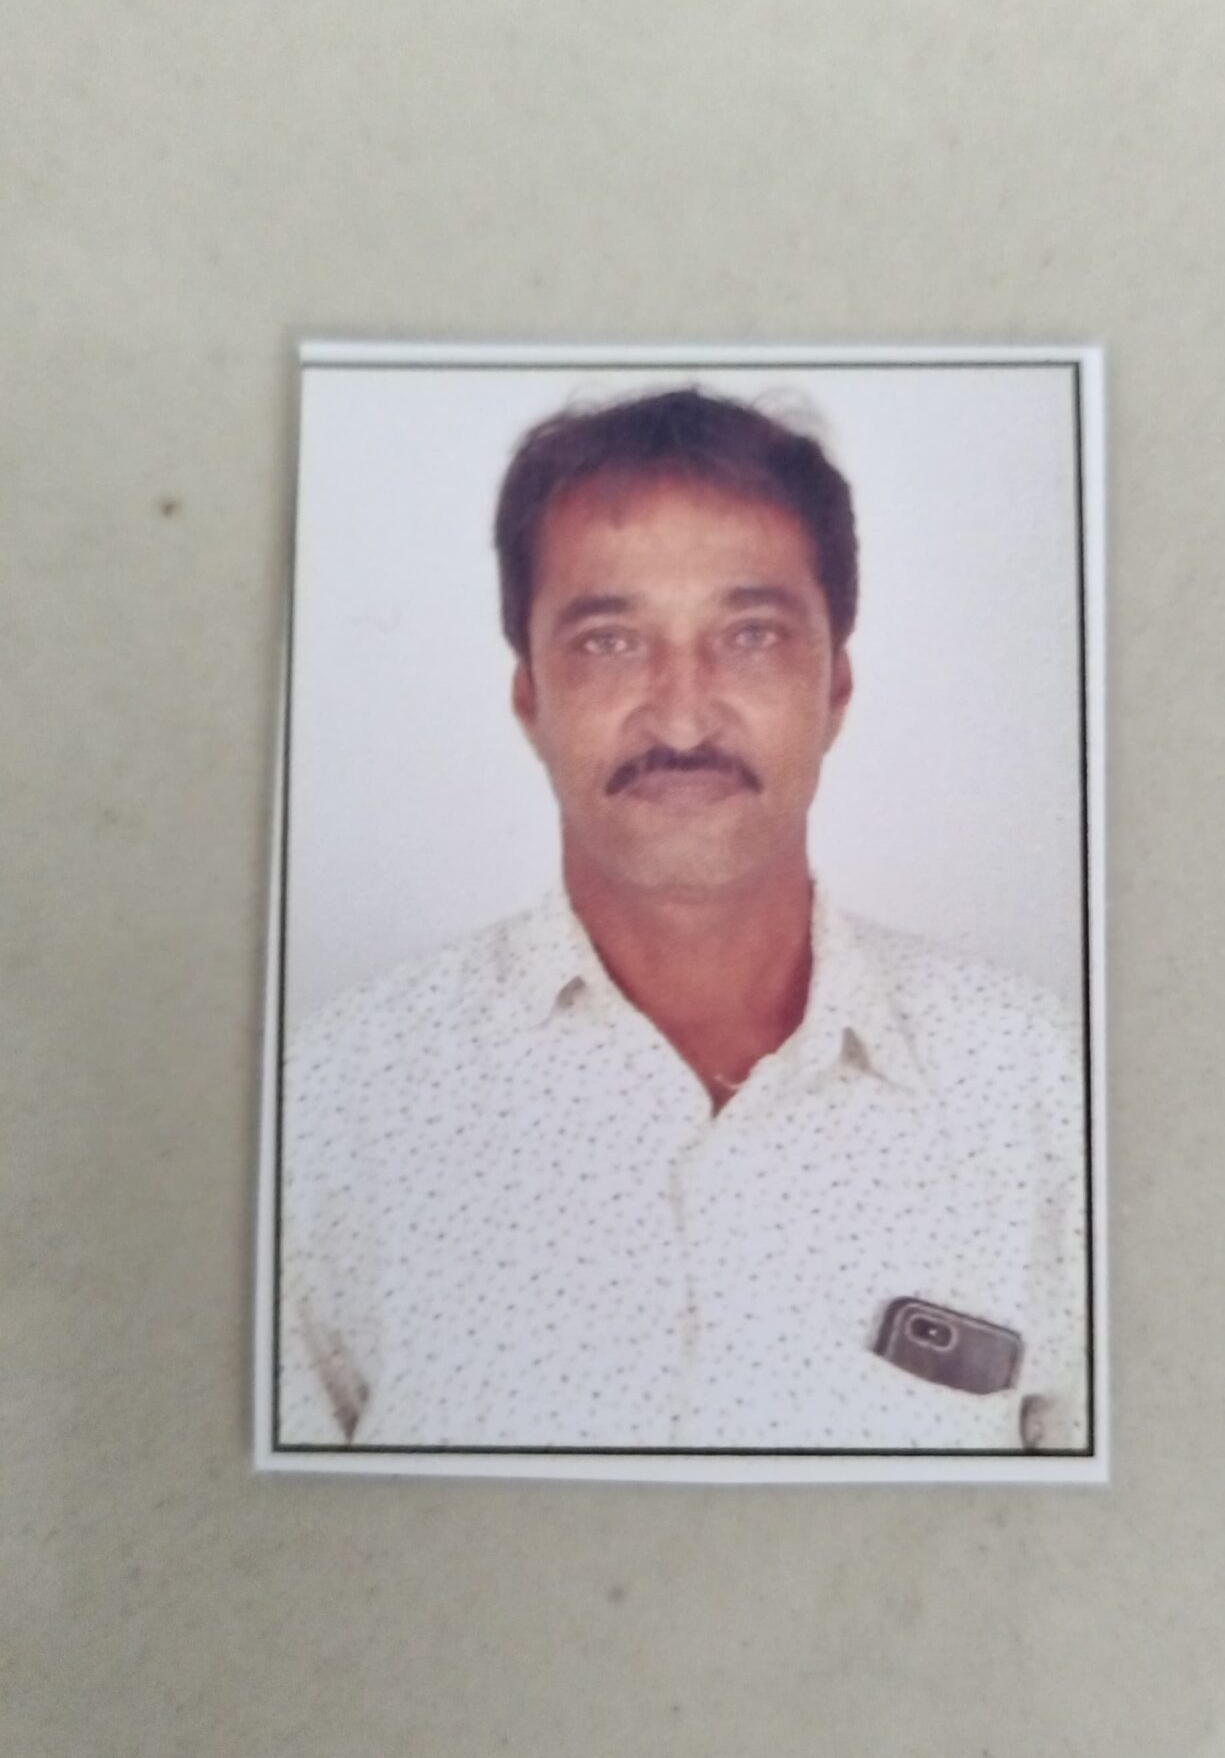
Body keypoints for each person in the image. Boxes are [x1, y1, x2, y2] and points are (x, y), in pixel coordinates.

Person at [279, 386, 1090, 1454]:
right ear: (530, 699)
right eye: (610, 641)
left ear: (834, 688)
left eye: (750, 635)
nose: (681, 713)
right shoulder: (329, 1108)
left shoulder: (1042, 1092)